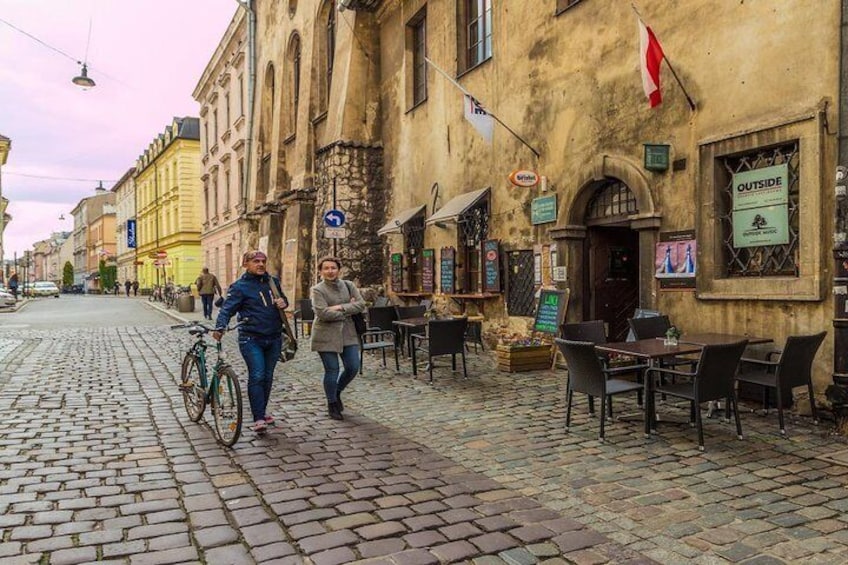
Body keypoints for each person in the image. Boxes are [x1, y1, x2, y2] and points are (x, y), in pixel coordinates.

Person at [214, 250, 288, 434]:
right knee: (257, 375)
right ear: (245, 264)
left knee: (268, 376)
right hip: (251, 338)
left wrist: (283, 303)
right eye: (256, 261)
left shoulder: (273, 282)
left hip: (274, 337)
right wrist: (220, 327)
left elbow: (283, 300)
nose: (261, 264)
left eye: (263, 261)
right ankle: (258, 418)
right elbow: (227, 309)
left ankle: (261, 411)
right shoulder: (239, 287)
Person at [310, 256, 366, 421]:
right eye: (326, 268)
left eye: (333, 268)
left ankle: (337, 392)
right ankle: (332, 403)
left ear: (338, 270)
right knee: (332, 370)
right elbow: (322, 313)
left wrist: (340, 307)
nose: (330, 271)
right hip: (325, 334)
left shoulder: (349, 285)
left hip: (348, 333)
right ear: (321, 271)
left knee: (352, 367)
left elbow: (361, 304)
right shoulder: (318, 290)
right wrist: (348, 309)